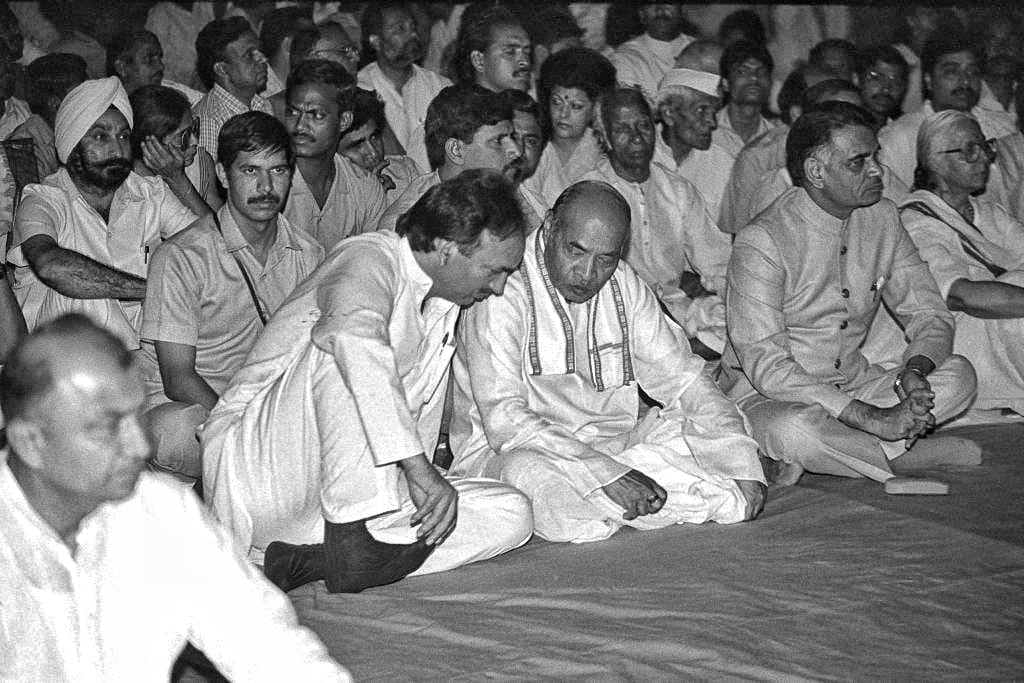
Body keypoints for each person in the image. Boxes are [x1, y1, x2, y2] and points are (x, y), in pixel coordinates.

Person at [201, 170, 534, 594]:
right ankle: (349, 543)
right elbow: (352, 340)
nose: (500, 286)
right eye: (494, 270)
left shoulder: (449, 301)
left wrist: (423, 476)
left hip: (348, 498)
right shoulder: (367, 257)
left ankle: (314, 561)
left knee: (512, 512)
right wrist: (419, 469)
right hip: (263, 475)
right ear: (448, 248)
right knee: (346, 351)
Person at [0, 314, 350, 680]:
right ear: (30, 442)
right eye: (107, 428)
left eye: (138, 417)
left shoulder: (160, 509)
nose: (139, 445)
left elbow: (266, 644)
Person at [449, 180, 765, 543]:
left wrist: (742, 465)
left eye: (605, 259)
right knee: (536, 482)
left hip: (619, 448)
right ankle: (668, 497)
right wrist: (604, 473)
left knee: (730, 425)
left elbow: (685, 380)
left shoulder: (624, 284)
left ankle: (628, 503)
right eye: (576, 251)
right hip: (515, 451)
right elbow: (505, 421)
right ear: (550, 227)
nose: (587, 273)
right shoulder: (505, 287)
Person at [719, 102, 981, 489]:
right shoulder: (763, 241)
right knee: (797, 430)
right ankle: (897, 457)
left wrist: (915, 373)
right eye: (858, 162)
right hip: (771, 397)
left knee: (960, 375)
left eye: (875, 156)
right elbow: (768, 368)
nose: (877, 171)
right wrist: (869, 416)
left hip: (856, 383)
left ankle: (853, 452)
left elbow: (929, 311)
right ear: (815, 172)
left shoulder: (883, 218)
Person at [140, 111, 323, 483]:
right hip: (198, 406)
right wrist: (245, 430)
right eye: (250, 171)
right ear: (223, 175)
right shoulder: (180, 256)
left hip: (268, 409)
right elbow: (178, 377)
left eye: (278, 171)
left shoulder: (310, 254)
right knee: (176, 431)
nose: (266, 186)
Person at [8, 77, 195, 348]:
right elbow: (51, 265)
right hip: (57, 363)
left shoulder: (149, 193)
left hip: (146, 353)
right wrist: (154, 290)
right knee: (82, 293)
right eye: (100, 136)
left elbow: (211, 245)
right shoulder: (43, 199)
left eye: (123, 136)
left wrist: (177, 179)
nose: (117, 148)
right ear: (71, 143)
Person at [583, 87, 730, 354]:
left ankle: (684, 351)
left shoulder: (677, 189)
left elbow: (717, 262)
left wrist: (734, 299)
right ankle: (685, 352)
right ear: (605, 137)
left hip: (678, 306)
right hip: (622, 313)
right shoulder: (589, 194)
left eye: (643, 125)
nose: (637, 138)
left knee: (740, 324)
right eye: (622, 130)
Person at [896, 110, 1024, 415]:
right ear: (936, 161)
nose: (984, 159)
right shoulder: (916, 218)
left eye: (985, 146)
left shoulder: (989, 213)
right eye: (970, 150)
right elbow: (960, 295)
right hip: (960, 340)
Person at [879, 30, 1017, 190]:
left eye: (972, 72)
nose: (965, 81)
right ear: (928, 80)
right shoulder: (901, 137)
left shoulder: (1002, 128)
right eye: (952, 72)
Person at [376, 85, 524, 232]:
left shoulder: (505, 192)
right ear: (456, 151)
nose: (516, 151)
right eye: (498, 141)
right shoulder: (407, 226)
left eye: (512, 137)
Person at [282, 59, 386, 252]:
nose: (300, 126)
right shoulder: (269, 182)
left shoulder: (364, 187)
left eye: (317, 115)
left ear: (344, 120)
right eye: (293, 112)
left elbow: (373, 264)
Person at [357, 2, 450, 168]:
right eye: (400, 29)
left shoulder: (440, 87)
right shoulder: (360, 88)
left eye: (413, 26)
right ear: (376, 41)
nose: (413, 34)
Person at [526, 47, 615, 206]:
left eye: (576, 106)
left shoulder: (604, 150)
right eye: (556, 102)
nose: (563, 114)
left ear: (595, 109)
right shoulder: (535, 146)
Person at [653, 67, 736, 221]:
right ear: (668, 114)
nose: (712, 122)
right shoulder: (640, 155)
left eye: (714, 112)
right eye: (701, 110)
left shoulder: (723, 164)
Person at [129, 84, 219, 218]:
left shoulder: (200, 162)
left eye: (193, 129)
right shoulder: (130, 182)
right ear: (151, 145)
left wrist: (178, 179)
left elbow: (219, 232)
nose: (194, 141)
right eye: (183, 136)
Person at [193, 17, 272, 162]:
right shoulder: (210, 123)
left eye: (259, 51)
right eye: (249, 55)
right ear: (222, 69)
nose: (262, 59)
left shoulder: (261, 104)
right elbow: (207, 184)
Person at [337, 87, 422, 199]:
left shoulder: (405, 171)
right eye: (357, 145)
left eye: (374, 137)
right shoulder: (325, 196)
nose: (373, 153)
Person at [611, 2, 695, 102]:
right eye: (651, 3)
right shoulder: (625, 57)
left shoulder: (705, 52)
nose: (660, 10)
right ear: (641, 14)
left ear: (683, 11)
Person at [106, 29, 203, 105]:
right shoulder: (105, 105)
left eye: (160, 57)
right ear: (122, 68)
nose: (161, 66)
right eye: (149, 59)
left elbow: (204, 102)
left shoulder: (171, 90)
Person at [715, 39, 777, 154]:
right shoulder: (708, 132)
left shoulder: (776, 140)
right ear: (725, 83)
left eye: (762, 72)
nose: (754, 78)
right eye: (742, 72)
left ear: (771, 83)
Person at [452, 5, 532, 93]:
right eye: (510, 52)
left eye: (527, 52)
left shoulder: (529, 105)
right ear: (478, 60)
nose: (525, 62)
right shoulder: (453, 106)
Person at [258, 6, 313, 98]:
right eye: (310, 40)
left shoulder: (292, 85)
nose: (317, 53)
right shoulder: (264, 94)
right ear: (288, 44)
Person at [858, 45, 910, 130]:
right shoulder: (843, 129)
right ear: (857, 80)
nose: (886, 89)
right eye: (876, 79)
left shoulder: (907, 132)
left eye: (895, 82)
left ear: (904, 88)